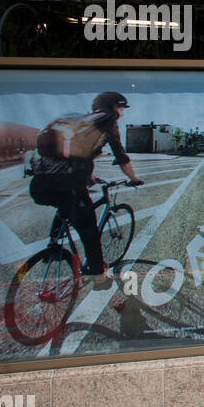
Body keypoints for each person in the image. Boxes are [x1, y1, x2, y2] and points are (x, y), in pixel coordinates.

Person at [29, 92, 144, 286]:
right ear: (112, 109)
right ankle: (99, 277)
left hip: (39, 184)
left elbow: (79, 154)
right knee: (89, 229)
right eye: (121, 109)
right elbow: (121, 157)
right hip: (67, 185)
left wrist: (89, 176)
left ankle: (53, 245)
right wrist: (133, 178)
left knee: (65, 205)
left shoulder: (79, 123)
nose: (122, 114)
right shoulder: (108, 121)